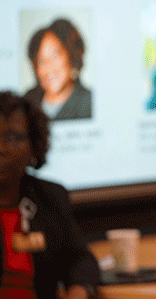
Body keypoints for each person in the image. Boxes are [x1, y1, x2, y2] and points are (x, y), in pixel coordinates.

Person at [0, 91, 100, 298]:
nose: (1, 148)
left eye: (11, 138)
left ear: (34, 146)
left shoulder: (49, 197)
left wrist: (79, 290)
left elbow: (80, 259)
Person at [25, 18, 92, 121]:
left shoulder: (90, 102)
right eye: (40, 60)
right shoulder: (26, 102)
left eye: (55, 55)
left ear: (71, 55)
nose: (48, 66)